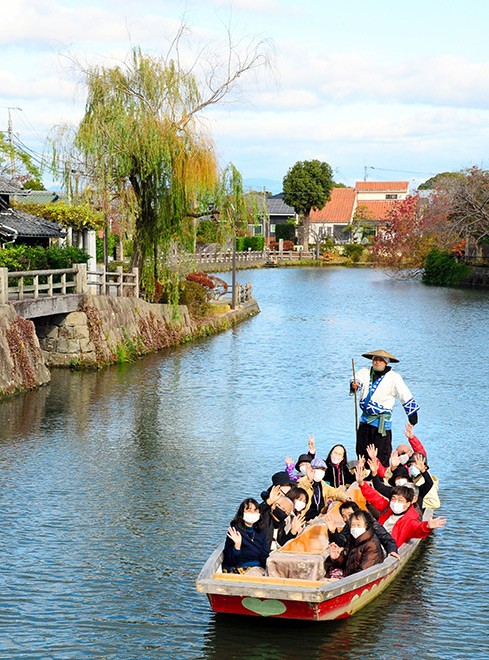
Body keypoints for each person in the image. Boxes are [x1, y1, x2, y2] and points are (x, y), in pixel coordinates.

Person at [351, 350, 419, 467]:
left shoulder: (394, 378)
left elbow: (404, 394)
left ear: (386, 363)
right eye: (375, 359)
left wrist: (412, 416)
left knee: (381, 453)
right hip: (365, 421)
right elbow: (357, 379)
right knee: (362, 451)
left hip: (381, 424)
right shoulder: (365, 372)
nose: (377, 362)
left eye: (380, 360)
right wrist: (355, 384)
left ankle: (381, 480)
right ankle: (364, 477)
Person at [355, 464, 446, 548]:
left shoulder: (410, 518)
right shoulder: (388, 508)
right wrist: (362, 484)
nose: (395, 503)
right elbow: (374, 496)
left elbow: (417, 530)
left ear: (408, 503)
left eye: (400, 500)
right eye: (394, 499)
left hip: (387, 548)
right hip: (373, 541)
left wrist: (427, 526)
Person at [331, 500, 400, 559]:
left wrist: (392, 551)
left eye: (349, 514)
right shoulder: (348, 526)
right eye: (344, 516)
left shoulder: (371, 523)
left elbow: (386, 538)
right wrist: (333, 532)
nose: (347, 519)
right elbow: (343, 541)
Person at [223, 498, 270, 573]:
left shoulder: (261, 532)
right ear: (242, 513)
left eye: (255, 510)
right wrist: (237, 546)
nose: (252, 513)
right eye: (248, 510)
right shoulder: (235, 531)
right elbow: (230, 560)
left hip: (258, 568)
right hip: (239, 568)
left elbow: (264, 555)